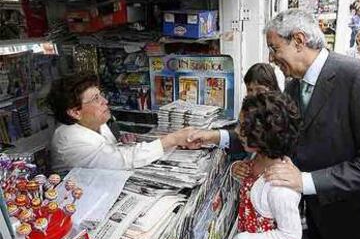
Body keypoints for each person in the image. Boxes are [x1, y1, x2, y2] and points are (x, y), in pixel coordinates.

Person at [263, 9, 360, 239]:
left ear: (298, 40)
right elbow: (277, 131)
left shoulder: (359, 77)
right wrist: (217, 137)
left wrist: (305, 181)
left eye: (274, 49)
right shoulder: (295, 84)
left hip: (356, 224)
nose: (272, 59)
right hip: (323, 221)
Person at [47, 73, 192, 175]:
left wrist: (121, 144)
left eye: (101, 95)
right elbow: (121, 160)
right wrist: (172, 139)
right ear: (75, 112)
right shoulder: (69, 139)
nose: (105, 101)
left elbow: (109, 154)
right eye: (96, 99)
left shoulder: (96, 122)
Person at [232, 91, 303, 239]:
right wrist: (236, 168)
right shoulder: (259, 158)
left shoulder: (279, 188)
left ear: (260, 136)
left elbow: (291, 235)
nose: (236, 131)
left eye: (242, 127)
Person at [187, 62, 281, 178]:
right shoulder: (247, 110)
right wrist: (236, 166)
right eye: (249, 90)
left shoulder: (278, 120)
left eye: (259, 90)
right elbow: (241, 146)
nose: (253, 95)